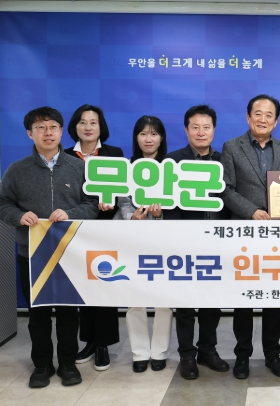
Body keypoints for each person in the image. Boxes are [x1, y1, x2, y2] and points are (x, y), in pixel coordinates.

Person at [0, 107, 99, 388]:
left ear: (62, 131)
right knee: (38, 314)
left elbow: (92, 205)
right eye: (40, 128)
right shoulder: (17, 169)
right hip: (31, 254)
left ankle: (67, 363)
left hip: (69, 254)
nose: (47, 132)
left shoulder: (79, 167)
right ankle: (41, 365)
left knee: (68, 313)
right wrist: (18, 216)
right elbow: (0, 202)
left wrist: (70, 214)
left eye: (53, 127)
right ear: (30, 133)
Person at [220, 94, 280, 379]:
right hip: (244, 233)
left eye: (269, 115)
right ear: (248, 117)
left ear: (276, 121)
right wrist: (251, 211)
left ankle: (272, 354)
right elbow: (226, 189)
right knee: (244, 300)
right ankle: (242, 356)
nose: (263, 119)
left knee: (273, 298)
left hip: (276, 236)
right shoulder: (231, 147)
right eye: (257, 113)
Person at [162, 105, 231, 380]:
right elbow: (169, 204)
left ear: (214, 130)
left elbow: (232, 198)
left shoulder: (225, 161)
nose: (201, 132)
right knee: (185, 304)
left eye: (206, 127)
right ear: (186, 129)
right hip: (185, 243)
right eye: (195, 127)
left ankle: (208, 350)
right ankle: (187, 355)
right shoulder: (172, 161)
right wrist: (180, 237)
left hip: (217, 243)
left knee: (212, 302)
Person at [64, 104, 123, 371]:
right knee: (83, 286)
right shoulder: (65, 156)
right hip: (75, 230)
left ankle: (103, 345)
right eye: (82, 122)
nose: (88, 127)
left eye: (93, 122)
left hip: (106, 228)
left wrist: (111, 202)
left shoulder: (114, 154)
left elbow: (123, 190)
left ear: (101, 127)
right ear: (74, 126)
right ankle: (88, 341)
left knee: (105, 284)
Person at [116, 115, 173, 373]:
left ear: (162, 138)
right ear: (136, 138)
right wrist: (132, 217)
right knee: (134, 298)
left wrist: (161, 215)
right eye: (143, 133)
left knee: (164, 298)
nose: (148, 139)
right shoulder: (127, 168)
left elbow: (178, 204)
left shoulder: (173, 168)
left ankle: (159, 351)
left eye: (154, 133)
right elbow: (122, 201)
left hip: (164, 241)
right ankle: (139, 353)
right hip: (133, 240)